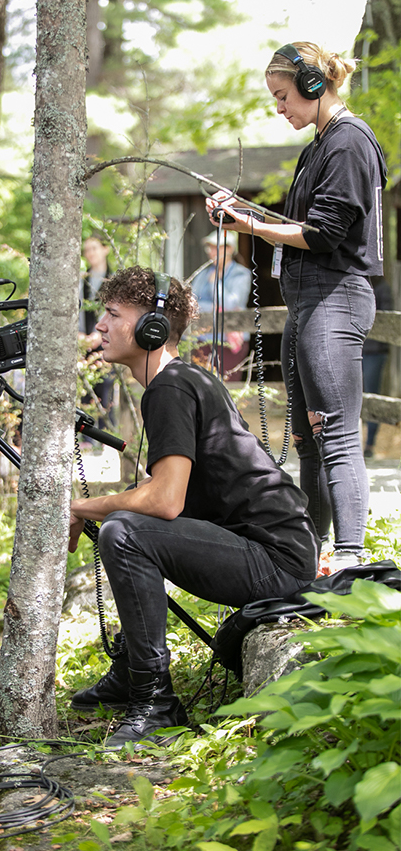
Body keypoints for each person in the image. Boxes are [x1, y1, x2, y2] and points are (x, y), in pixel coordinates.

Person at [69, 266, 319, 747]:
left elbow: (163, 502)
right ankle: (130, 671)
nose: (100, 325)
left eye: (113, 314)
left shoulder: (171, 387)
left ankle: (154, 702)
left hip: (275, 560)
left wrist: (82, 506)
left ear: (152, 329)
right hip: (274, 550)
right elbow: (173, 498)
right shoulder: (182, 381)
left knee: (122, 529)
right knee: (124, 522)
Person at [206, 42, 387, 567]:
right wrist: (242, 213)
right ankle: (310, 555)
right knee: (308, 441)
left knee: (336, 434)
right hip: (309, 304)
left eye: (283, 95)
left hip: (336, 300)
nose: (279, 107)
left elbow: (326, 234)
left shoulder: (349, 142)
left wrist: (249, 226)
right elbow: (305, 223)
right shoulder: (319, 144)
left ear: (313, 84)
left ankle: (349, 557)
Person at [191, 230, 251, 378]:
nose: (213, 252)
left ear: (230, 249)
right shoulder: (203, 274)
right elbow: (191, 302)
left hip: (230, 342)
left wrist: (215, 283)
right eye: (210, 247)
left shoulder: (241, 274)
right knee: (202, 383)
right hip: (204, 339)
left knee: (228, 385)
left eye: (218, 247)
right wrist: (214, 308)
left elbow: (231, 304)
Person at [79, 235, 114, 432]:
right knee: (85, 389)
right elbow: (77, 310)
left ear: (105, 249)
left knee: (105, 386)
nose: (91, 253)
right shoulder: (81, 280)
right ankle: (86, 437)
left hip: (106, 340)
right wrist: (81, 335)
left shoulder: (113, 278)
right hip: (84, 342)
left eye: (94, 248)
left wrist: (98, 335)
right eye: (87, 250)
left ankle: (107, 432)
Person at [363, 276, 392, 458]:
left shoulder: (382, 287)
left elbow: (386, 320)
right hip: (356, 349)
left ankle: (369, 444)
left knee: (372, 395)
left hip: (374, 350)